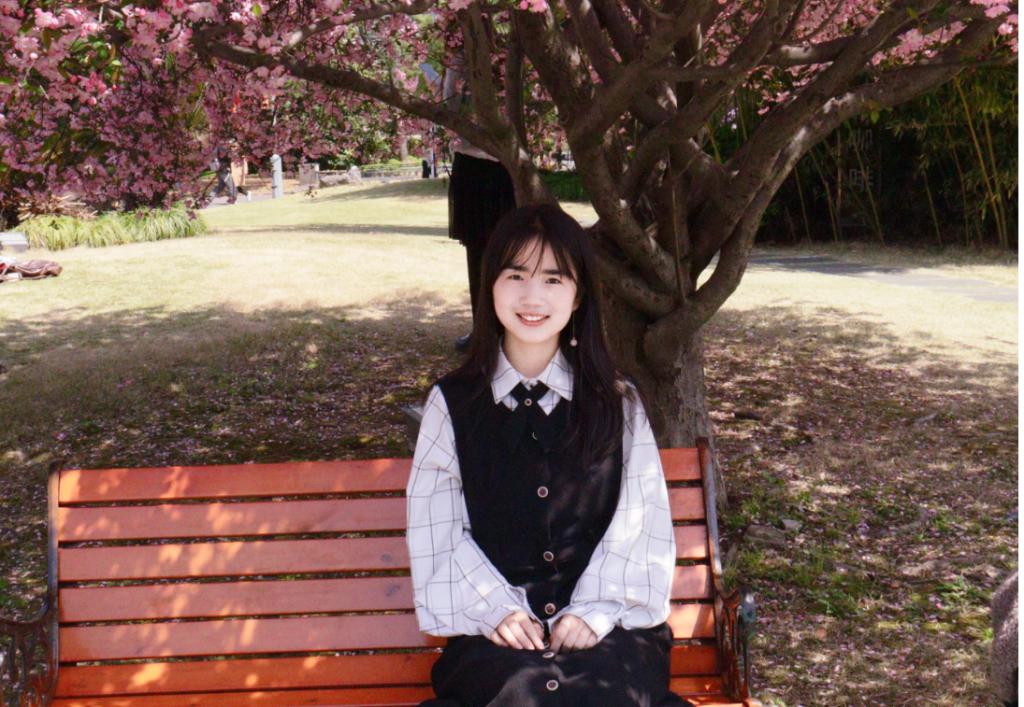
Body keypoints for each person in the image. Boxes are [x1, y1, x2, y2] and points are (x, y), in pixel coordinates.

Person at [406, 205, 693, 707]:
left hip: (609, 633)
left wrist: (593, 612)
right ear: (490, 286)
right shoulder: (452, 405)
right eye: (516, 275)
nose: (532, 297)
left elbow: (640, 521)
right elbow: (438, 531)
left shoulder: (616, 403)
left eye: (553, 279)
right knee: (519, 694)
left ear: (578, 295)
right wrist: (496, 610)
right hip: (497, 636)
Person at [443, 52, 517, 352]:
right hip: (488, 168)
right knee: (489, 254)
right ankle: (488, 331)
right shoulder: (470, 66)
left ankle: (494, 330)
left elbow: (449, 105)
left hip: (490, 168)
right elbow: (449, 105)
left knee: (492, 255)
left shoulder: (474, 62)